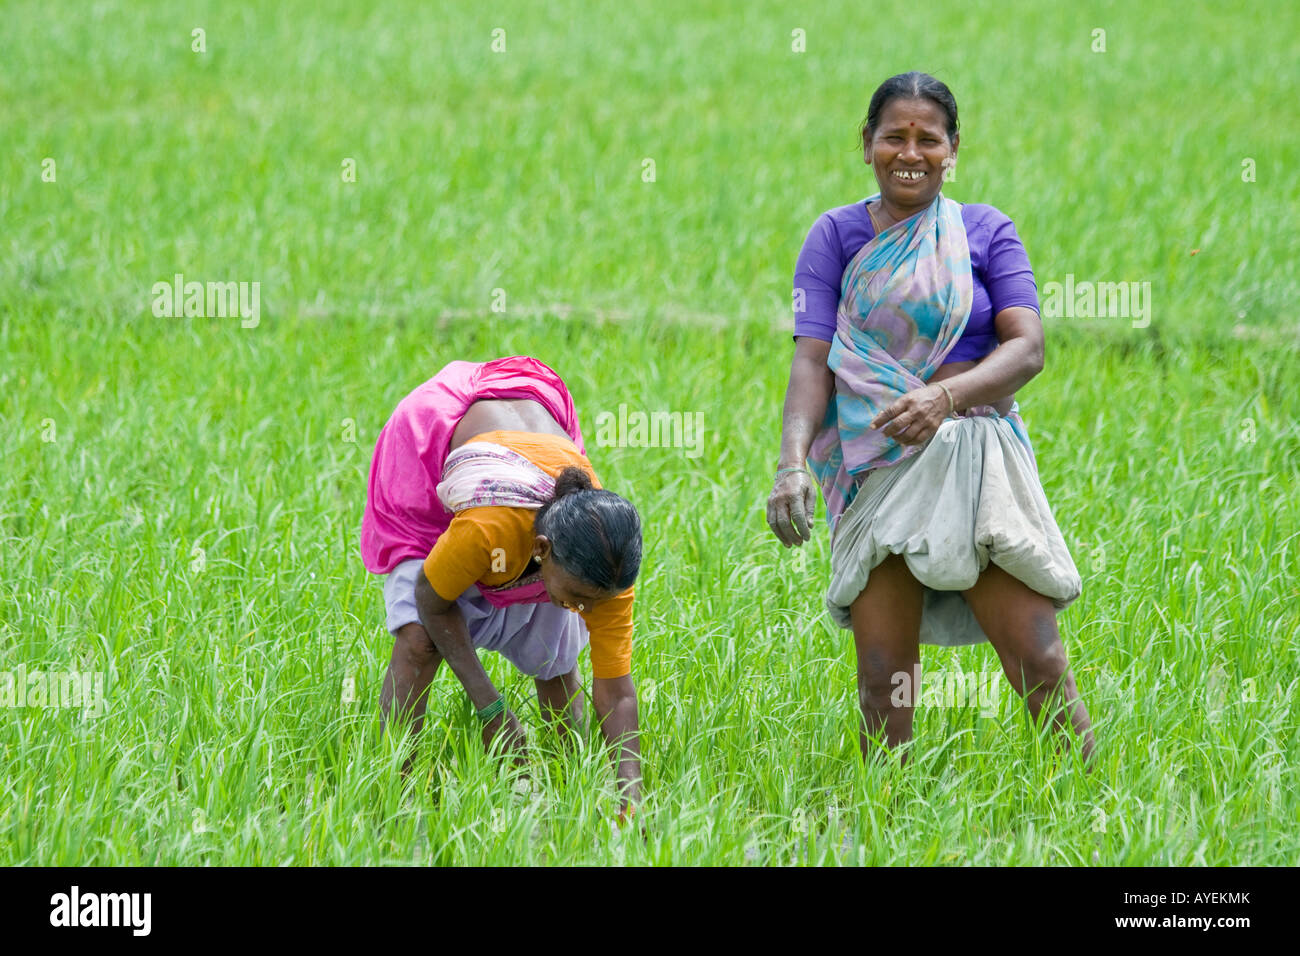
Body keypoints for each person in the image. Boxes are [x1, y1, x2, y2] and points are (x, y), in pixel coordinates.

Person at [766, 72, 1096, 766]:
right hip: (880, 471)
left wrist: (943, 399)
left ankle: (1093, 812)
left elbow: (1028, 348)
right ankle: (887, 823)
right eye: (894, 136)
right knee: (886, 688)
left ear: (953, 150)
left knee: (1039, 660)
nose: (909, 152)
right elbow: (811, 360)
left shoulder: (985, 231)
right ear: (866, 145)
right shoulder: (836, 236)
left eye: (928, 138)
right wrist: (790, 464)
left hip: (978, 463)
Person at [362, 356, 643, 816]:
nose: (583, 608)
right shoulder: (488, 529)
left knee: (557, 656)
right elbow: (432, 601)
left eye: (591, 602)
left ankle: (566, 794)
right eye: (578, 596)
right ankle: (395, 794)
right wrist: (491, 708)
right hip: (431, 449)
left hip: (530, 450)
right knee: (417, 641)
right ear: (542, 549)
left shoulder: (604, 564)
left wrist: (631, 797)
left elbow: (617, 691)